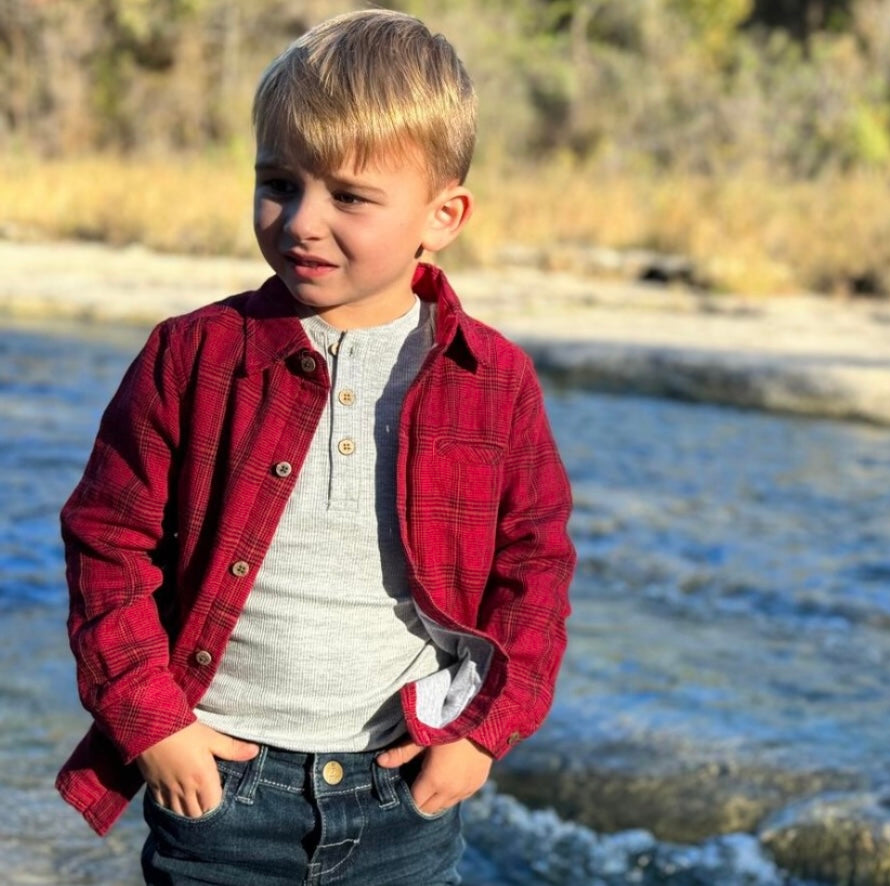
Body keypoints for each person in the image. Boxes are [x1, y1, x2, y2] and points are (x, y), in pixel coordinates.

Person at [55, 9, 576, 884]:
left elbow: (535, 567)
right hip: (219, 786)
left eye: (349, 197)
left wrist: (485, 734)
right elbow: (107, 545)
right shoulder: (194, 356)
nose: (301, 219)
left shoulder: (491, 380)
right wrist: (153, 725)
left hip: (400, 793)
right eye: (278, 183)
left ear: (442, 215)